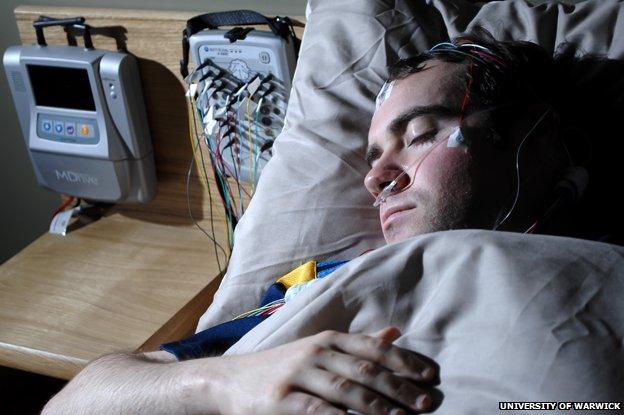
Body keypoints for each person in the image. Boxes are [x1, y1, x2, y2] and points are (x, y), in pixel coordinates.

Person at [43, 29, 578, 414]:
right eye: (372, 158)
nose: (377, 180)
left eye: (417, 136)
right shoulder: (321, 283)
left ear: (540, 143)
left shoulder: (598, 270)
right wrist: (221, 382)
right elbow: (75, 404)